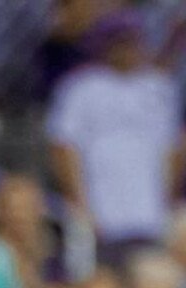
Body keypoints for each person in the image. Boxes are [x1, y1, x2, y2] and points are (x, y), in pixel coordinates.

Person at [47, 9, 185, 265]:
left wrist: (167, 202)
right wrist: (78, 203)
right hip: (100, 211)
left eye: (133, 40)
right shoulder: (80, 86)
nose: (129, 48)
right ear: (105, 44)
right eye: (121, 41)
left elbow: (173, 150)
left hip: (149, 213)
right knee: (102, 281)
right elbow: (63, 147)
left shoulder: (159, 88)